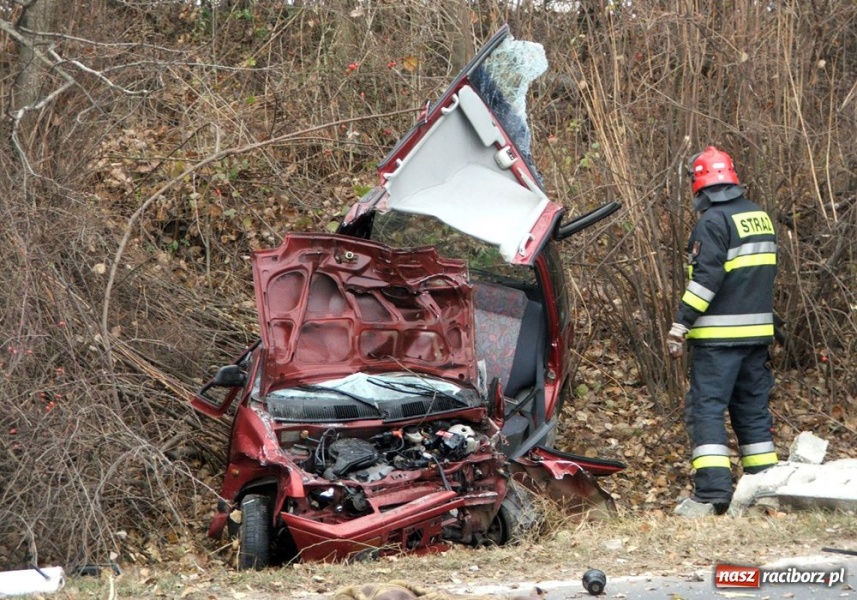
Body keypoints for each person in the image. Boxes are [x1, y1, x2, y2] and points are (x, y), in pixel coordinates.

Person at [667, 146, 779, 516]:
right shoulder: (759, 217)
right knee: (752, 409)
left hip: (717, 340)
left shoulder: (712, 222)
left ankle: (713, 494)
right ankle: (764, 488)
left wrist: (681, 323)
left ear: (699, 185)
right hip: (757, 335)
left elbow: (706, 280)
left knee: (707, 410)